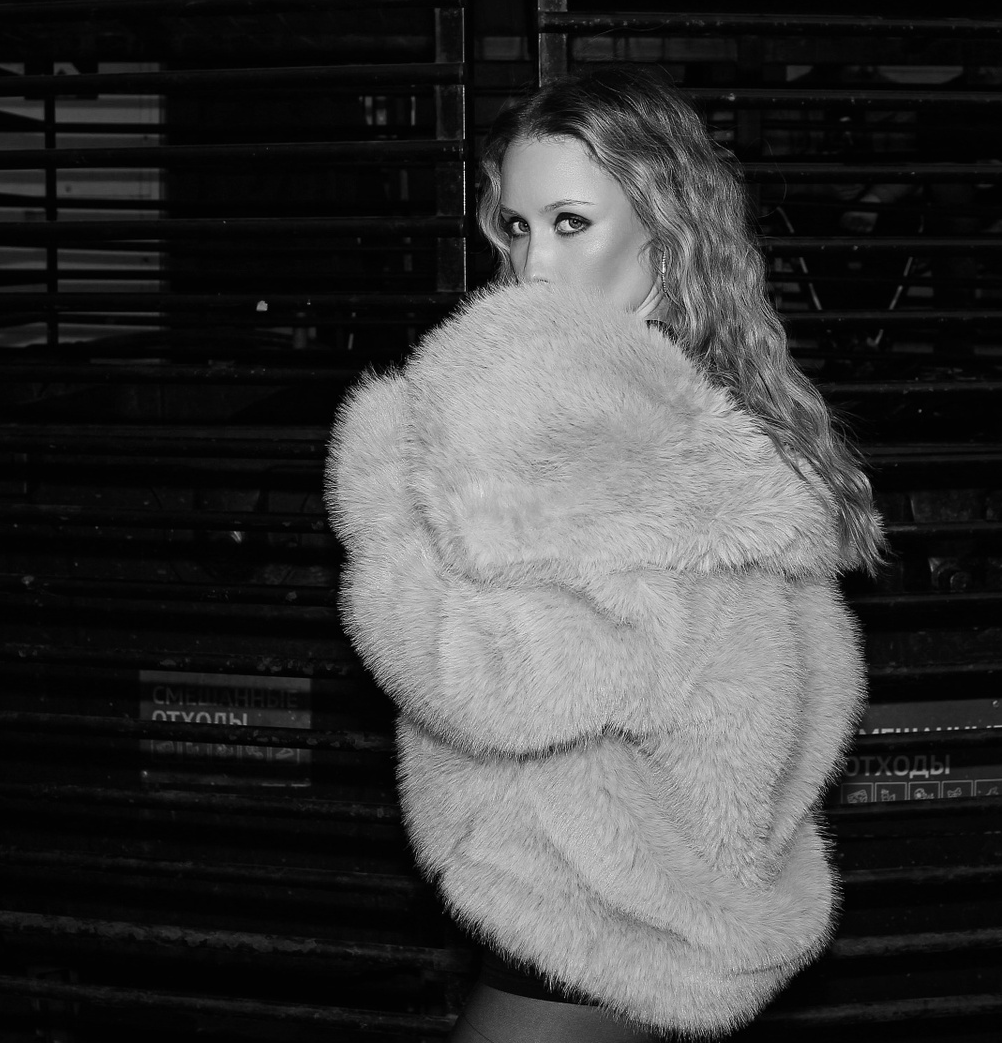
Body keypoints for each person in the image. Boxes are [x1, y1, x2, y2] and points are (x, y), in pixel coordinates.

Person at [326, 66, 883, 1041]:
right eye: (515, 226)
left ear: (665, 237)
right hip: (673, 898)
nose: (532, 265)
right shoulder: (715, 409)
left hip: (587, 915)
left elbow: (491, 682)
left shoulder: (599, 427)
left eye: (571, 223)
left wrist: (383, 499)